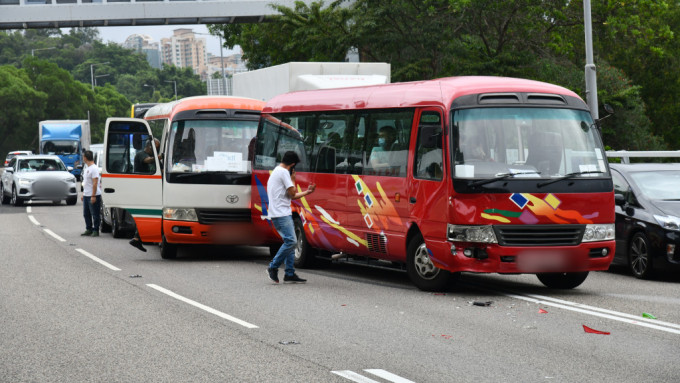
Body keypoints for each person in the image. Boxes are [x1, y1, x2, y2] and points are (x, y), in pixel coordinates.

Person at [266, 151, 316, 284]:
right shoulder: (283, 172)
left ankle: (289, 273)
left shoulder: (276, 170)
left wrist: (307, 192)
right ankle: (273, 266)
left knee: (289, 242)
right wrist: (293, 179)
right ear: (292, 165)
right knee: (291, 242)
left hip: (278, 213)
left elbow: (291, 196)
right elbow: (292, 192)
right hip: (281, 214)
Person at [129, 138, 162, 252]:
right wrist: (160, 157)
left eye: (157, 149)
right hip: (141, 187)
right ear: (149, 147)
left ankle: (138, 237)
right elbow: (148, 160)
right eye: (155, 148)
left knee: (148, 214)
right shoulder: (140, 155)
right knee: (145, 213)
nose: (156, 150)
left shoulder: (153, 156)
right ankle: (137, 237)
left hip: (148, 187)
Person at [81, 150, 102, 237]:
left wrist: (93, 195)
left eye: (83, 157)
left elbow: (95, 183)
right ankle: (88, 228)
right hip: (86, 194)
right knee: (86, 214)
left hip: (93, 195)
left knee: (95, 213)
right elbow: (86, 182)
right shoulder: (87, 168)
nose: (83, 158)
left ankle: (96, 230)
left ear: (85, 158)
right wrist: (83, 193)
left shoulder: (94, 168)